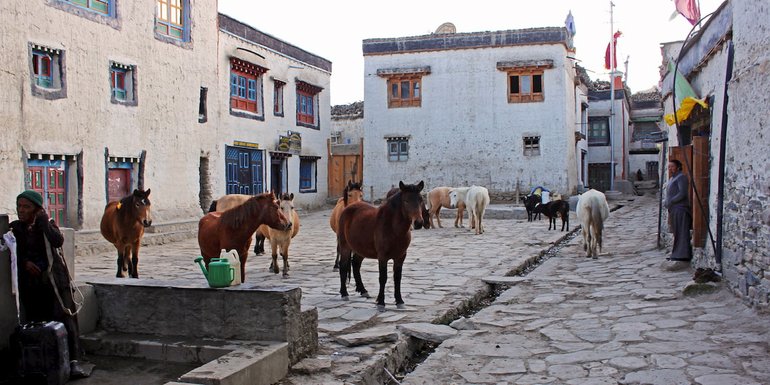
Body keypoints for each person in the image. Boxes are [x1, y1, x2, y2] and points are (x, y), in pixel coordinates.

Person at [10, 190, 91, 379]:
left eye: (26, 207)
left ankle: (73, 362)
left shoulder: (48, 226)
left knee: (66, 320)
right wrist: (24, 263)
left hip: (55, 282)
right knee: (36, 322)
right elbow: (13, 253)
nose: (21, 210)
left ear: (36, 209)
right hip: (33, 286)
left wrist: (44, 220)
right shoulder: (16, 229)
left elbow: (57, 241)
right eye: (19, 206)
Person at [664, 160, 692, 262]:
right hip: (673, 209)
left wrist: (671, 201)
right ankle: (676, 253)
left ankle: (682, 254)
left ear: (678, 167)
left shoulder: (682, 177)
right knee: (677, 231)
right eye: (669, 167)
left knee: (682, 231)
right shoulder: (672, 178)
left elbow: (682, 193)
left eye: (672, 166)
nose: (670, 168)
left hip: (680, 208)